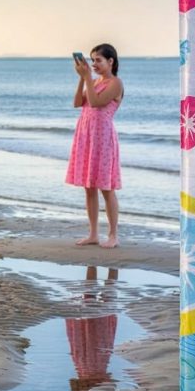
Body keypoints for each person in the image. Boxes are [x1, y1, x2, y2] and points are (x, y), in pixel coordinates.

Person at [66, 43, 123, 249]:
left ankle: (113, 235)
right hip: (86, 135)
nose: (94, 64)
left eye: (98, 60)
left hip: (103, 138)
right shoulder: (95, 81)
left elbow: (96, 102)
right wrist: (83, 78)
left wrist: (88, 78)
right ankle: (93, 234)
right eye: (92, 60)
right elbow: (77, 102)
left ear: (111, 61)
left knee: (106, 188)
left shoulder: (115, 83)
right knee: (89, 187)